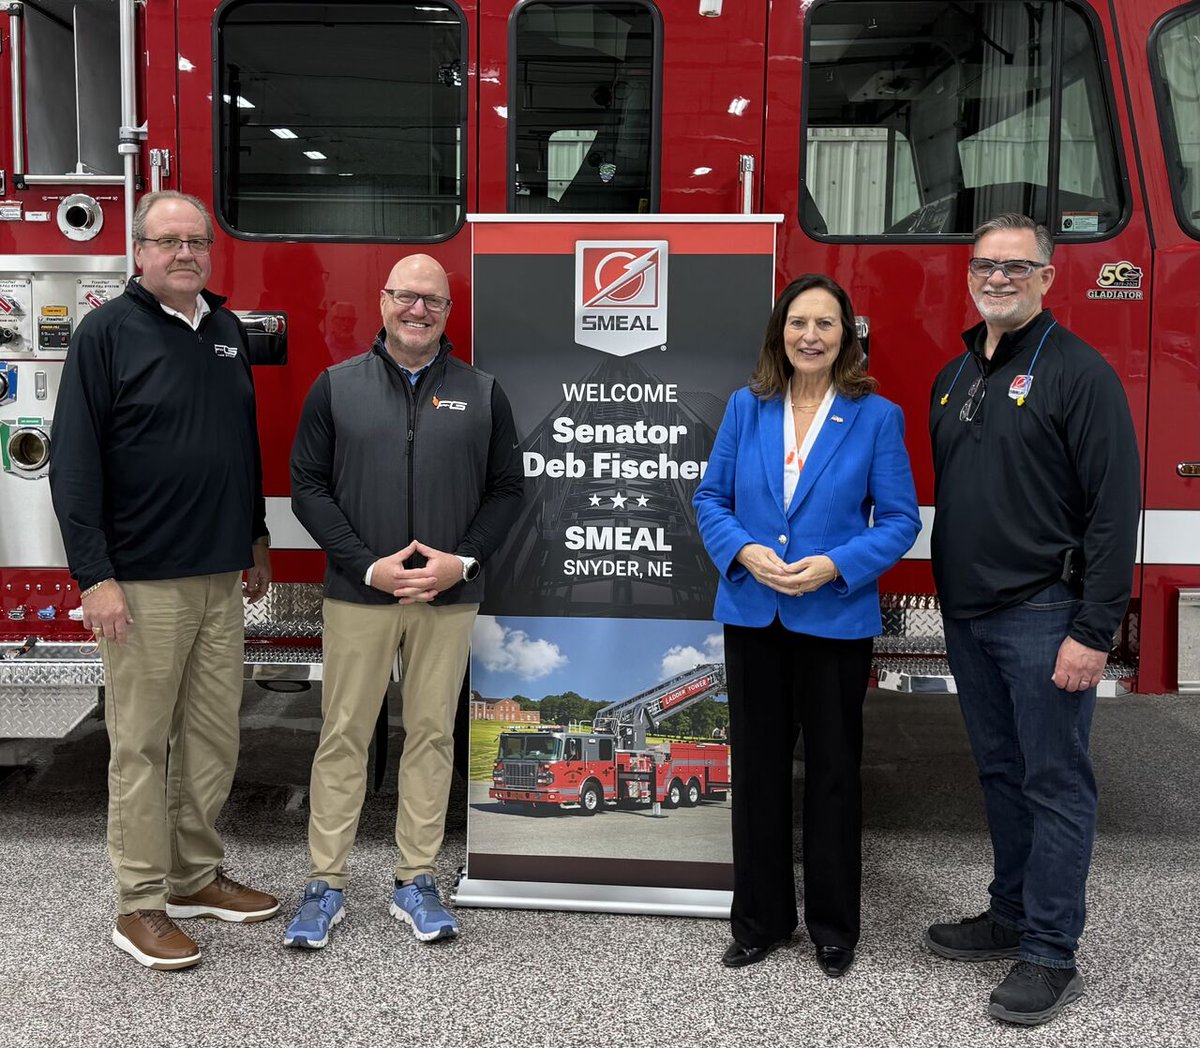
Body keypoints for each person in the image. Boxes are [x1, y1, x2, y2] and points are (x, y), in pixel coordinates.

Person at [49, 190, 278, 971]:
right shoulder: (106, 333)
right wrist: (95, 576)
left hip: (218, 576)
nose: (185, 253)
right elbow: (74, 463)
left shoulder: (224, 331)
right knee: (142, 746)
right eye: (168, 241)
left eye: (196, 242)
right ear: (139, 251)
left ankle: (193, 877)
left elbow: (240, 442)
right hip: (141, 582)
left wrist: (254, 535)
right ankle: (139, 903)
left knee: (214, 737)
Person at [925, 214, 1140, 1025]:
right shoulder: (954, 375)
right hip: (969, 617)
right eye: (986, 264)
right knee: (1000, 774)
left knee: (1055, 784)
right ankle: (1010, 914)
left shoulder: (1080, 373)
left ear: (1048, 278)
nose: (999, 278)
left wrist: (1093, 630)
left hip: (1045, 614)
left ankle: (1051, 953)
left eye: (1017, 267)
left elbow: (1113, 512)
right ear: (969, 275)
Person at [286, 253, 523, 948]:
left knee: (432, 734)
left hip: (447, 597)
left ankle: (416, 878)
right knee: (343, 735)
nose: (418, 310)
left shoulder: (483, 393)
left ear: (448, 312)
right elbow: (307, 486)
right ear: (383, 302)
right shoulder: (336, 388)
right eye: (406, 297)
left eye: (433, 301)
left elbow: (508, 489)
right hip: (359, 594)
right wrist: (368, 567)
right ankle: (325, 883)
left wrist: (461, 562)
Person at [693, 274, 920, 978]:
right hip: (754, 612)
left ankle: (833, 926)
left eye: (825, 323)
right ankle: (760, 920)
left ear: (846, 336)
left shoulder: (876, 416)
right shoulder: (747, 406)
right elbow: (710, 498)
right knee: (757, 771)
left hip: (834, 618)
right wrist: (742, 550)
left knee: (832, 774)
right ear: (780, 333)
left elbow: (900, 521)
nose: (811, 336)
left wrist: (835, 564)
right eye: (798, 323)